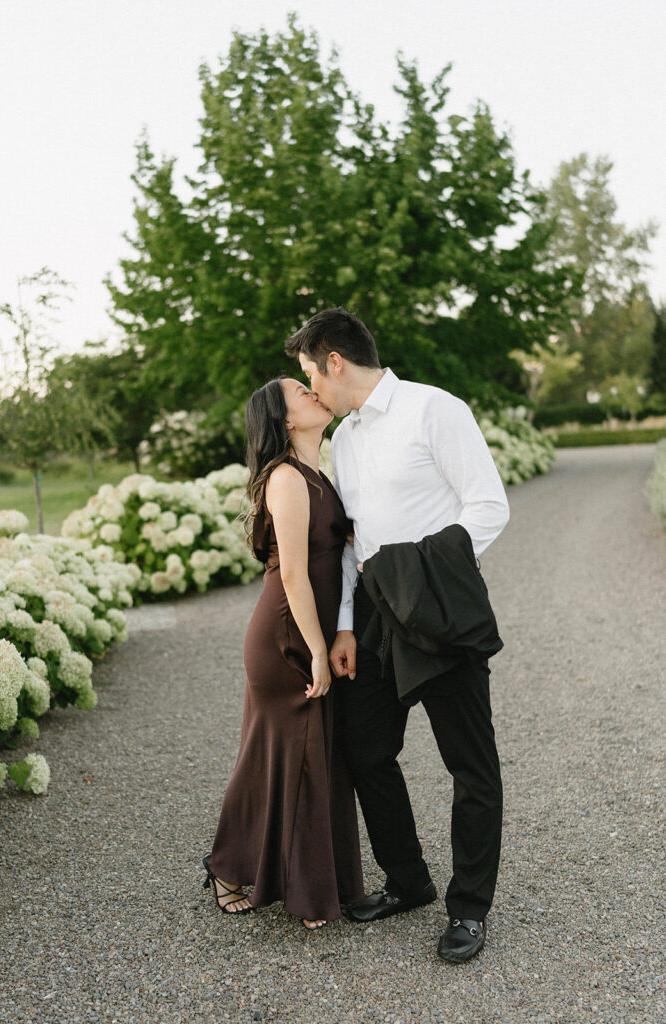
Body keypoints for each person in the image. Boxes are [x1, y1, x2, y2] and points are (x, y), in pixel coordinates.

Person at [285, 308, 509, 962]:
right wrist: (350, 624)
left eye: (308, 374)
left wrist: (428, 580)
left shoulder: (434, 409)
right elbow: (356, 543)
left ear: (334, 362)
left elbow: (487, 506)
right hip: (378, 618)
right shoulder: (346, 438)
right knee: (364, 749)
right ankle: (408, 881)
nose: (310, 389)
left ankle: (468, 908)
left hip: (437, 611)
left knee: (470, 766)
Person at [202, 376, 364, 930]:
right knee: (276, 755)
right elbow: (293, 574)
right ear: (286, 419)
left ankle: (312, 884)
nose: (316, 391)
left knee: (311, 757)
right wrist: (319, 650)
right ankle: (228, 866)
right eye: (301, 391)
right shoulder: (287, 478)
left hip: (312, 631)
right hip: (284, 637)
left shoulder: (322, 474)